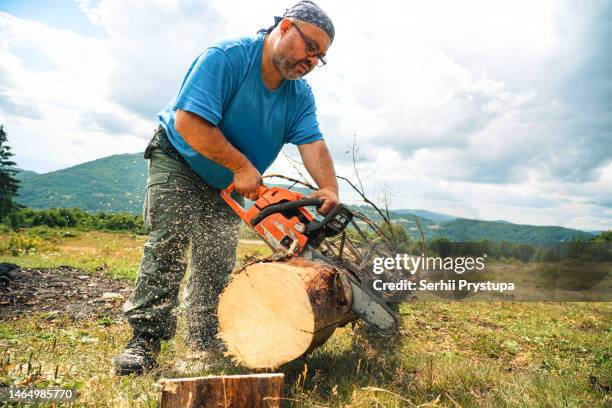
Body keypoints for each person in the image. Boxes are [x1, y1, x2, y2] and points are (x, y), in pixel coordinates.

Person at [114, 1, 339, 375]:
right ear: (284, 28)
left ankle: (204, 339)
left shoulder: (300, 95)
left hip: (228, 184)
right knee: (169, 243)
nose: (312, 60)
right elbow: (189, 121)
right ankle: (145, 340)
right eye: (310, 47)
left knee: (215, 259)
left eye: (321, 56)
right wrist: (241, 165)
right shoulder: (228, 57)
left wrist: (328, 188)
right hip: (180, 158)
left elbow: (312, 143)